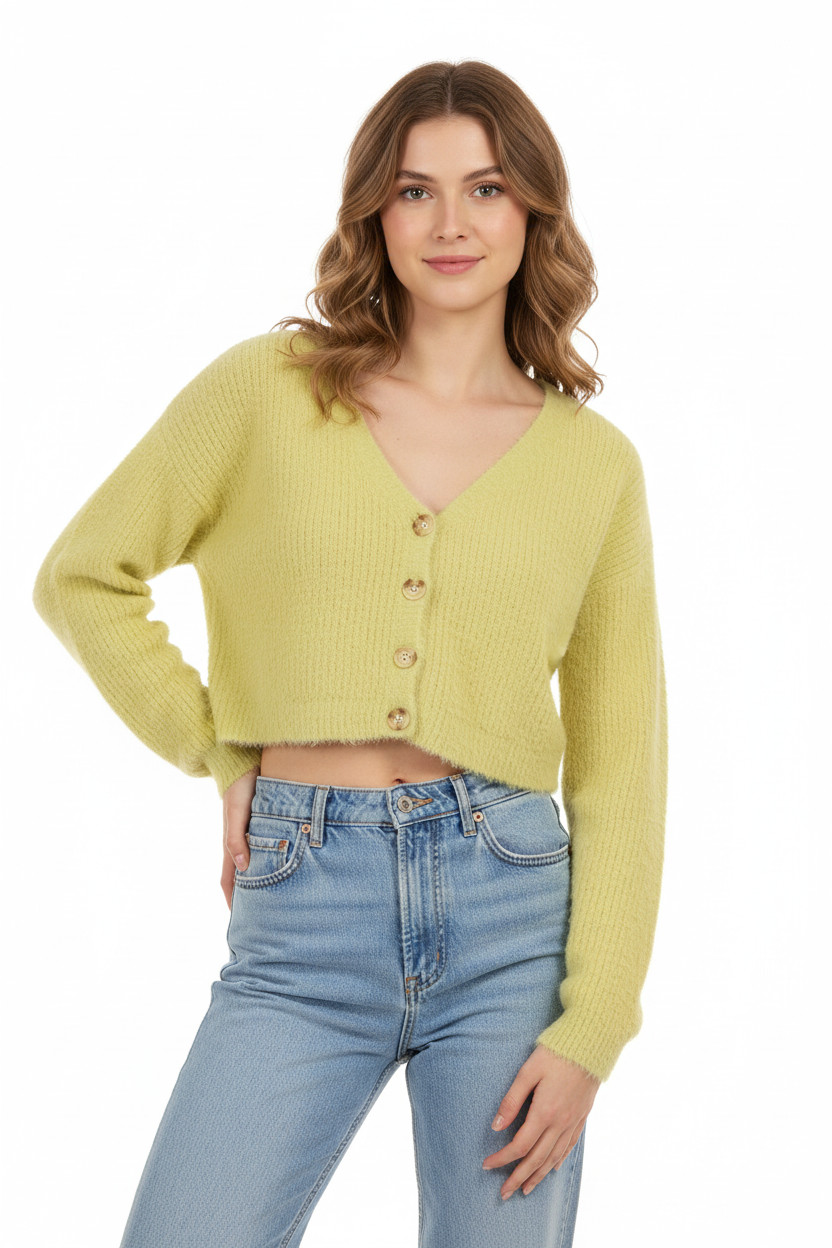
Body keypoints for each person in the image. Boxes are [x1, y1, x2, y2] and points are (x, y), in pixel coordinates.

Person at [32, 59, 668, 1248]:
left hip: (509, 914)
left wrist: (593, 1027)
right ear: (375, 211)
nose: (450, 223)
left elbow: (620, 765)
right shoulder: (266, 393)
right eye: (415, 190)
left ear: (532, 209)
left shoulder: (595, 467)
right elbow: (83, 575)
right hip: (303, 909)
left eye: (485, 188)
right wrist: (219, 748)